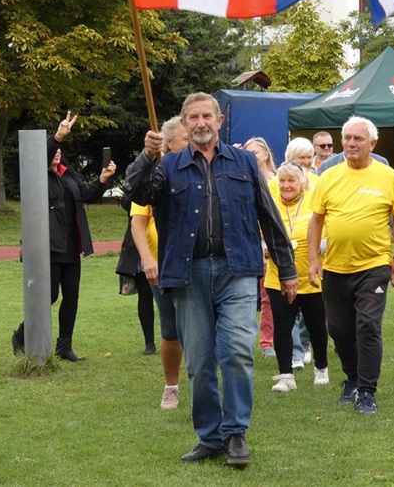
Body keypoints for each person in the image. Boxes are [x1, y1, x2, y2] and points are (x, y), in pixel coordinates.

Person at [124, 92, 298, 466]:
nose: (201, 122)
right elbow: (135, 192)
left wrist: (287, 269)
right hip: (188, 274)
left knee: (237, 351)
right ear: (184, 124)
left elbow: (268, 215)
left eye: (207, 116)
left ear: (220, 121)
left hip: (238, 271)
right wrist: (147, 157)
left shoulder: (244, 162)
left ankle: (235, 434)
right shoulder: (167, 165)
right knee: (200, 362)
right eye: (193, 117)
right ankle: (210, 437)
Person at [308, 116, 394, 416]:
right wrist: (313, 259)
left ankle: (366, 391)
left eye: (358, 139)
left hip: (374, 265)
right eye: (347, 138)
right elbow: (316, 220)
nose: (351, 143)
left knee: (368, 325)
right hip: (335, 267)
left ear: (372, 144)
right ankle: (352, 378)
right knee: (338, 329)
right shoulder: (328, 176)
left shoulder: (388, 176)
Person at [11, 112, 116, 361]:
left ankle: (64, 346)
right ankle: (22, 335)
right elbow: (45, 153)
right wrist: (58, 136)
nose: (57, 153)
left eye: (59, 150)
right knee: (49, 295)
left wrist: (102, 180)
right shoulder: (37, 173)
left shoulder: (67, 174)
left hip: (70, 244)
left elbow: (87, 195)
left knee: (71, 295)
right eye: (53, 149)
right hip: (46, 243)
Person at [128, 116, 189, 409]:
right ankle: (171, 387)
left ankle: (206, 382)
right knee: (170, 329)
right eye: (186, 139)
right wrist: (148, 259)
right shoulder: (153, 175)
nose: (192, 143)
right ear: (169, 143)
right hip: (162, 265)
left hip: (195, 262)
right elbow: (138, 223)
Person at [265, 162, 329, 392]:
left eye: (291, 180)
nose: (286, 185)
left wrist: (317, 246)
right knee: (282, 326)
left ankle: (321, 368)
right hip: (278, 277)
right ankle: (286, 376)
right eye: (282, 181)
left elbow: (329, 233)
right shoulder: (270, 205)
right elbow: (260, 234)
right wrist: (265, 247)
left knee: (316, 326)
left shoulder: (314, 203)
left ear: (302, 183)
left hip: (312, 277)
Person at [243, 136, 278, 358]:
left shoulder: (279, 180)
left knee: (275, 294)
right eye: (247, 153)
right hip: (251, 242)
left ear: (266, 154)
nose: (252, 157)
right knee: (256, 295)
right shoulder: (243, 180)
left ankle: (278, 341)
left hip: (274, 241)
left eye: (255, 152)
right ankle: (264, 342)